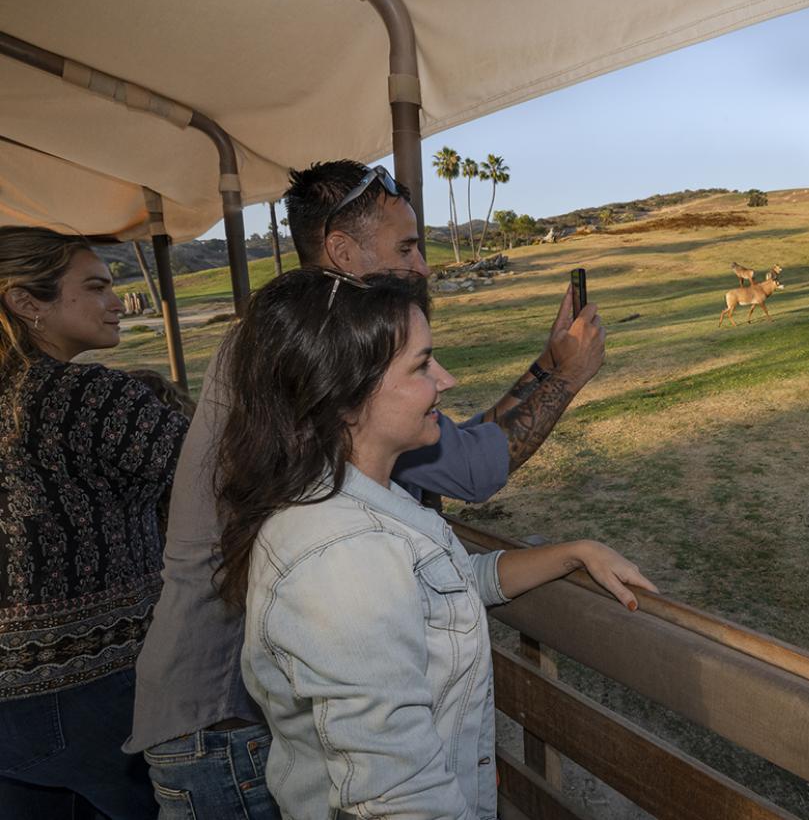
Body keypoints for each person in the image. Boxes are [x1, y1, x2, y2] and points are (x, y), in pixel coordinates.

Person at [129, 160, 607, 816]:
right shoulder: (336, 526)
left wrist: (548, 370)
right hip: (224, 722)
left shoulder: (293, 343)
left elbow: (445, 446)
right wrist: (562, 378)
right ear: (340, 251)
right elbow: (471, 466)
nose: (422, 266)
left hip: (234, 708)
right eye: (406, 246)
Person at [218, 268, 653, 817]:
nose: (444, 380)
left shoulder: (363, 502)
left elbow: (435, 592)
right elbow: (400, 797)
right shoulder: (341, 556)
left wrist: (571, 552)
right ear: (345, 398)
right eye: (422, 365)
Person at [0, 226, 189, 819]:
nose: (115, 300)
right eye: (96, 286)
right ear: (27, 302)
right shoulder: (85, 395)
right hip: (93, 692)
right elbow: (231, 477)